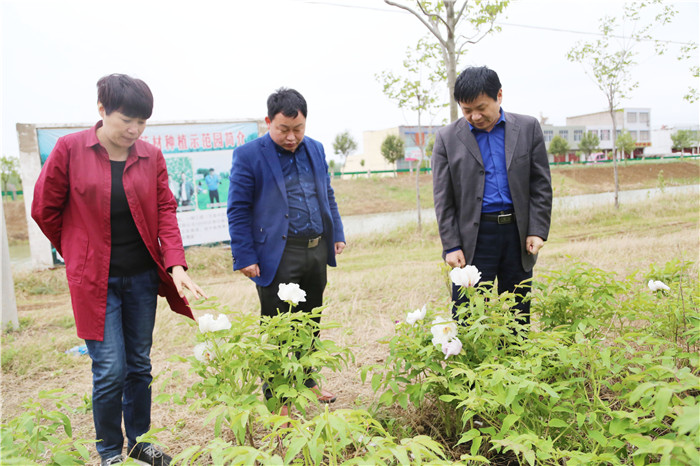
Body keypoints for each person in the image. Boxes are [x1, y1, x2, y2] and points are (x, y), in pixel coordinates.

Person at [31, 74, 206, 466]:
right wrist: (77, 249)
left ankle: (140, 441)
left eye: (142, 122)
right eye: (126, 119)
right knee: (111, 367)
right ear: (101, 110)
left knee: (139, 364)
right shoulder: (70, 149)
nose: (134, 129)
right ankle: (110, 451)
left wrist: (175, 263)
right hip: (95, 281)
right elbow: (44, 208)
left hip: (142, 278)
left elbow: (165, 211)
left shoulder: (150, 156)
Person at [227, 88, 345, 410]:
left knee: (311, 321)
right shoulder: (250, 155)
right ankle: (278, 398)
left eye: (298, 129)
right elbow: (238, 209)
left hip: (316, 248)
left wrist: (337, 232)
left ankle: (308, 380)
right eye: (284, 129)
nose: (292, 137)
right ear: (268, 122)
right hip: (277, 254)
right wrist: (245, 255)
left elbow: (327, 194)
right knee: (277, 326)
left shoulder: (317, 150)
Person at [432, 66, 552, 329]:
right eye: (466, 110)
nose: (474, 116)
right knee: (468, 314)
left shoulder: (528, 128)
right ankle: (471, 367)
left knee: (517, 311)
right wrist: (451, 245)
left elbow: (540, 184)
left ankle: (518, 363)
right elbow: (443, 198)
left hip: (517, 235)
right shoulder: (447, 138)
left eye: (481, 108)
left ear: (499, 95)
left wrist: (537, 230)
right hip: (474, 238)